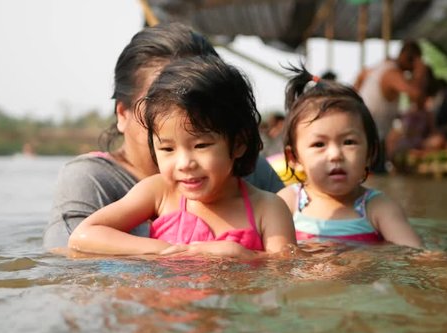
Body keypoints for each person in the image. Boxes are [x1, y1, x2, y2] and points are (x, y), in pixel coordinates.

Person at [43, 23, 285, 249]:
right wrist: (169, 254)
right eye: (160, 98)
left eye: (196, 98)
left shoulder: (252, 173)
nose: (181, 110)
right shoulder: (92, 178)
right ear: (122, 113)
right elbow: (67, 256)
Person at [277, 65, 422, 248]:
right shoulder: (288, 203)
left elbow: (415, 254)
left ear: (370, 153)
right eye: (319, 144)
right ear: (294, 158)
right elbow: (273, 258)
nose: (335, 155)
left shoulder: (377, 207)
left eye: (349, 142)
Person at [354, 41, 427, 172]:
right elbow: (416, 95)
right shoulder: (392, 73)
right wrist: (420, 72)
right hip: (368, 138)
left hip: (369, 134)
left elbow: (360, 76)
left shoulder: (382, 67)